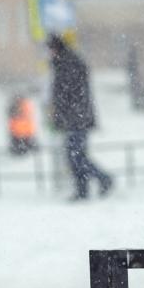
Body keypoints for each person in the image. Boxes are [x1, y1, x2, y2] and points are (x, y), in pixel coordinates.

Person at [47, 33, 113, 201]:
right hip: (76, 118)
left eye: (50, 49)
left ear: (56, 48)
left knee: (75, 156)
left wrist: (60, 113)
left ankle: (102, 179)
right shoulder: (66, 62)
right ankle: (84, 189)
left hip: (76, 119)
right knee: (76, 156)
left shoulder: (67, 63)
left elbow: (67, 94)